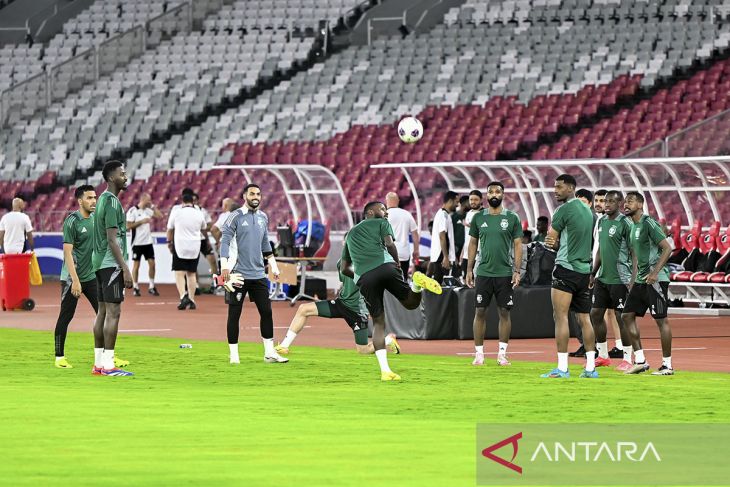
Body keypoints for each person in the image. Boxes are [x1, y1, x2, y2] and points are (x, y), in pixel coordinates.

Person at [341, 201, 442, 381]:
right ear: (370, 212)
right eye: (382, 209)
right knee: (411, 303)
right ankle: (417, 283)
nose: (386, 213)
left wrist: (358, 276)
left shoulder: (350, 234)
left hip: (365, 277)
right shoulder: (381, 223)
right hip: (386, 266)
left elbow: (344, 268)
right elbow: (389, 244)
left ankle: (385, 371)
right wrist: (397, 266)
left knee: (379, 323)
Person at [276, 256, 401, 356]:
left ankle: (388, 340)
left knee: (363, 350)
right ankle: (284, 346)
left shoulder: (367, 265)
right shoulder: (341, 262)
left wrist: (370, 308)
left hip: (357, 312)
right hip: (341, 303)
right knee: (303, 309)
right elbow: (343, 282)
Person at [220, 183, 288, 364]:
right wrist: (224, 266)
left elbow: (266, 244)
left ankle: (269, 353)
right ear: (244, 196)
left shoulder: (263, 217)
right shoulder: (234, 217)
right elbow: (225, 242)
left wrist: (273, 266)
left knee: (266, 312)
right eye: (252, 194)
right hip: (238, 274)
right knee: (234, 314)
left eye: (258, 194)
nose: (256, 196)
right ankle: (234, 355)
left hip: (258, 274)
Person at [541, 174, 597, 379]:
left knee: (561, 317)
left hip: (566, 267)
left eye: (559, 187)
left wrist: (553, 242)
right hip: (584, 270)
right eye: (554, 187)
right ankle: (590, 368)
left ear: (571, 188)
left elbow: (551, 241)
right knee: (585, 319)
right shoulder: (588, 211)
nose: (555, 190)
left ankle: (563, 368)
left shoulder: (562, 210)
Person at [465, 181, 523, 367]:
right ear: (487, 196)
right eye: (491, 192)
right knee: (480, 311)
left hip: (505, 272)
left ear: (503, 195)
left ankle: (502, 355)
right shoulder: (478, 218)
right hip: (483, 272)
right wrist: (469, 270)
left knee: (504, 312)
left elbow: (517, 245)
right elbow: (473, 243)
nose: (494, 194)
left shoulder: (512, 218)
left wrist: (516, 270)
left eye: (498, 191)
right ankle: (479, 354)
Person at [621, 192, 675, 375]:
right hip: (640, 280)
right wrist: (632, 278)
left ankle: (667, 365)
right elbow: (636, 255)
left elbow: (667, 248)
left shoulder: (648, 223)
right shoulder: (633, 227)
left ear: (640, 204)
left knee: (661, 320)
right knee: (626, 316)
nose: (625, 204)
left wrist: (655, 273)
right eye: (625, 201)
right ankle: (641, 360)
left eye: (630, 201)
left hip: (656, 280)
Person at [91, 160, 133, 376]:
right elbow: (112, 240)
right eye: (121, 173)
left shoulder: (101, 200)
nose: (125, 176)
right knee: (113, 313)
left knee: (102, 312)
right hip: (111, 265)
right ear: (110, 178)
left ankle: (98, 364)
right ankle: (109, 365)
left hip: (98, 263)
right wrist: (125, 268)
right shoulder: (112, 203)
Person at [589, 191, 635, 371]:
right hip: (603, 277)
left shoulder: (625, 223)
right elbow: (600, 248)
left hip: (620, 278)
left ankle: (627, 358)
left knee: (621, 317)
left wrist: (632, 278)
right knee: (595, 314)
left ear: (620, 203)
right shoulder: (601, 221)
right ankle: (603, 355)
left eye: (611, 201)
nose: (606, 204)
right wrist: (593, 272)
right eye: (604, 201)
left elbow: (634, 252)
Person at [53, 185, 99, 369]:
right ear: (80, 201)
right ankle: (59, 358)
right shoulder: (72, 221)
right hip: (72, 278)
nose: (94, 200)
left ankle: (106, 356)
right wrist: (75, 281)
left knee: (105, 314)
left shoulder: (96, 218)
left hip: (91, 276)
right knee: (66, 316)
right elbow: (68, 253)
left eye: (95, 197)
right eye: (89, 198)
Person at [167, 192, 206, 310]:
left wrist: (169, 242)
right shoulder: (199, 213)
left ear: (182, 202)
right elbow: (204, 228)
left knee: (179, 273)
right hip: (194, 246)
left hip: (180, 246)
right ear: (193, 202)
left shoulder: (177, 212)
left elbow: (170, 230)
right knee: (191, 273)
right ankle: (192, 299)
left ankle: (183, 296)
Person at [126, 193, 162, 297]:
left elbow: (160, 216)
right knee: (136, 266)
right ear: (143, 199)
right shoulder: (132, 211)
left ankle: (151, 286)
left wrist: (153, 207)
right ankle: (136, 287)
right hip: (137, 243)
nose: (150, 202)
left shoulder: (148, 210)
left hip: (148, 242)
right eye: (148, 200)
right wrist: (141, 222)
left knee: (152, 264)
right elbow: (128, 226)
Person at [385, 192, 419, 279]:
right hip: (404, 254)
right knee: (403, 280)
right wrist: (416, 251)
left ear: (386, 201)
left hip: (388, 254)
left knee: (389, 281)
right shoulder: (406, 214)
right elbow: (415, 233)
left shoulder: (383, 216)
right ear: (398, 201)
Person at [427, 191, 458, 284]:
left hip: (441, 254)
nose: (457, 204)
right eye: (456, 202)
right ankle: (435, 299)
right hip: (441, 255)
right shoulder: (443, 215)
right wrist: (445, 257)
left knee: (439, 282)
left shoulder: (444, 214)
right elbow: (442, 236)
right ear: (450, 201)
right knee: (438, 283)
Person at [193, 193, 218, 289]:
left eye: (196, 200)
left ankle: (215, 283)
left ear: (198, 201)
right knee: (193, 263)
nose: (194, 202)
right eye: (193, 200)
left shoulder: (203, 211)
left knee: (212, 260)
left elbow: (210, 225)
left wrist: (202, 228)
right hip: (192, 240)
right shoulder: (187, 212)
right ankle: (196, 285)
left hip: (203, 239)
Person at [462, 190, 483, 272]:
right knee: (465, 277)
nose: (473, 202)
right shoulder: (469, 213)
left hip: (478, 252)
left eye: (476, 200)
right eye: (471, 200)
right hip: (466, 252)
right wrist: (462, 252)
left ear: (481, 200)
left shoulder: (484, 213)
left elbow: (484, 230)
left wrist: (470, 226)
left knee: (475, 277)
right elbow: (467, 236)